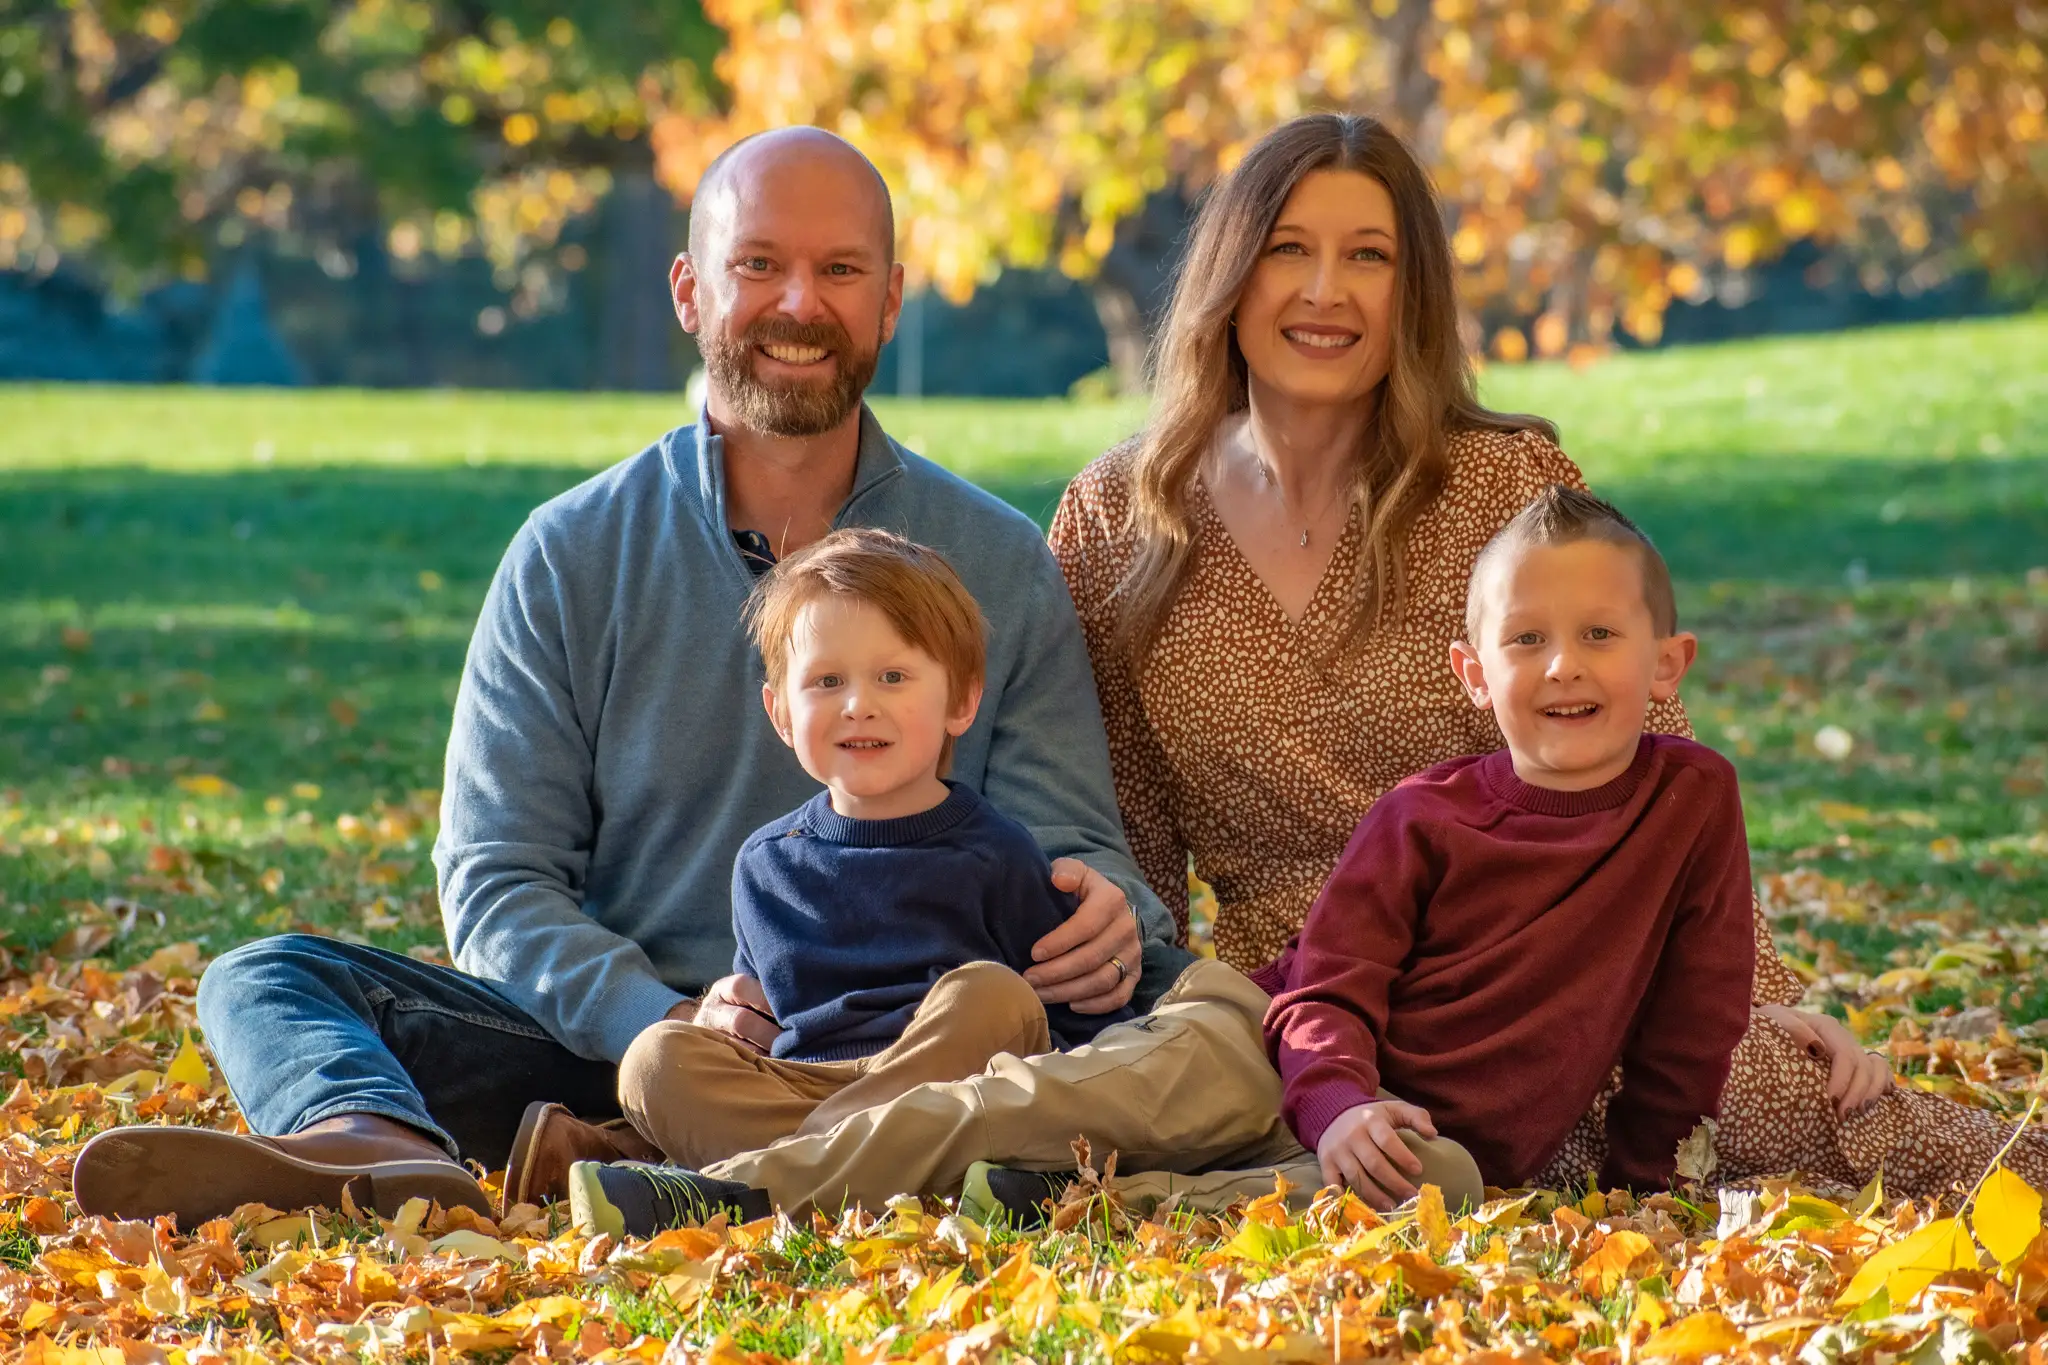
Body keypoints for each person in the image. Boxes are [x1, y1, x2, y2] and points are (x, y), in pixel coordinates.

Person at [68, 127, 1177, 1229]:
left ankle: (661, 1166)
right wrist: (669, 1020)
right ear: (690, 292)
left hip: (929, 1048)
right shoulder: (571, 553)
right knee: (265, 979)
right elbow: (498, 880)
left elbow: (1079, 846)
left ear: (889, 302)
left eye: (840, 270)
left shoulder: (990, 559)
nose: (800, 302)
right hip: (638, 1046)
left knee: (1199, 1013)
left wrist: (1105, 913)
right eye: (759, 266)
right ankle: (379, 1146)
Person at [1004, 109, 2048, 1219]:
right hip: (1317, 1010)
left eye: (1369, 257)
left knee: (1836, 1136)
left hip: (1573, 966)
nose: (1325, 291)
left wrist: (1764, 998)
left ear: (1410, 295)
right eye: (1287, 250)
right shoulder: (1118, 517)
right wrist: (1140, 1011)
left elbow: (1653, 759)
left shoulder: (1501, 485)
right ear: (1229, 271)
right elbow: (1124, 831)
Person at [567, 529, 1132, 1237]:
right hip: (806, 1086)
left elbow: (1059, 1021)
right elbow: (768, 1020)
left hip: (942, 1090)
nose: (858, 704)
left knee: (994, 996)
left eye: (892, 677)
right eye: (828, 681)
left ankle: (776, 1178)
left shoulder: (996, 850)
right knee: (653, 1058)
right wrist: (731, 1017)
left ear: (961, 701)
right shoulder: (765, 864)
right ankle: (840, 1172)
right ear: (780, 712)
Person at [1264, 486, 1755, 1208]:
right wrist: (1336, 1101)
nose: (1562, 665)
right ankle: (1038, 1102)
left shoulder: (1692, 800)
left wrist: (1650, 1190)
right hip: (1276, 1054)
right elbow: (1329, 983)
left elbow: (1696, 1019)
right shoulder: (1420, 817)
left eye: (1599, 634)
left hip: (1414, 1143)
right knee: (1144, 1094)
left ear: (1666, 663)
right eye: (1528, 639)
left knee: (1440, 1186)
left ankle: (1080, 1187)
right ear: (1475, 674)